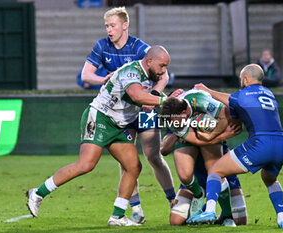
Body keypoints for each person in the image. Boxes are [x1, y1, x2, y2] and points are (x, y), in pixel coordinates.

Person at [26, 46, 175, 227]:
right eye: (162, 66)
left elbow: (149, 96)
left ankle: (117, 216)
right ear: (149, 61)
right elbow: (136, 95)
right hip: (101, 117)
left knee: (133, 166)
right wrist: (164, 101)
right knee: (86, 164)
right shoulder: (131, 71)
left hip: (118, 126)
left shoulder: (151, 75)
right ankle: (38, 193)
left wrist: (172, 98)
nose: (163, 71)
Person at [81, 7, 176, 223]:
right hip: (120, 112)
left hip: (145, 107)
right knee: (127, 162)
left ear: (125, 25)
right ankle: (136, 211)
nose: (109, 30)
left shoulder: (139, 47)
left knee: (153, 155)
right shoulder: (102, 45)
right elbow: (86, 75)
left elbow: (163, 75)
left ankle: (173, 201)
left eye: (112, 25)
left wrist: (152, 96)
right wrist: (106, 78)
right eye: (106, 26)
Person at [188, 64, 283, 229]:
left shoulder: (243, 94)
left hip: (261, 144)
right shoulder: (269, 94)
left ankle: (210, 210)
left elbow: (230, 101)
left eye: (241, 79)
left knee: (215, 170)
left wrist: (207, 90)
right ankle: (282, 218)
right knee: (269, 179)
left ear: (245, 79)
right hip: (282, 145)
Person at [160, 132, 247, 226]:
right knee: (176, 220)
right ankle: (200, 200)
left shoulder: (214, 118)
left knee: (239, 220)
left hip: (221, 170)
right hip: (196, 174)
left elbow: (232, 128)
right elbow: (164, 150)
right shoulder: (178, 120)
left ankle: (224, 214)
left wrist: (211, 132)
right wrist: (181, 132)